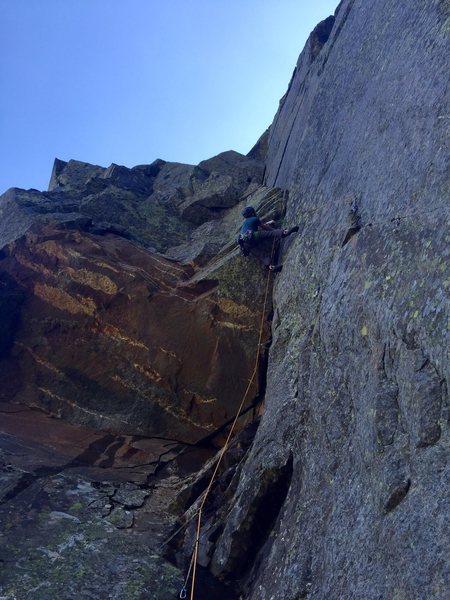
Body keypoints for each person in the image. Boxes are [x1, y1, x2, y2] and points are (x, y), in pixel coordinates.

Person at [237, 206, 299, 271]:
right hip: (252, 236)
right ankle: (285, 232)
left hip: (245, 245)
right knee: (271, 233)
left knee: (263, 255)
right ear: (252, 213)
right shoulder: (254, 218)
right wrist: (277, 230)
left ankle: (271, 267)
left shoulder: (244, 224)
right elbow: (266, 228)